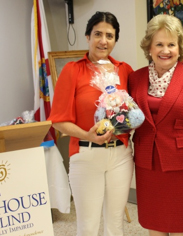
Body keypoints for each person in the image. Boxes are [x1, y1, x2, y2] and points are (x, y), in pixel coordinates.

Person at [48, 12, 134, 236]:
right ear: (87, 36)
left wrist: (130, 124)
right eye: (98, 34)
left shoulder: (125, 70)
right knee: (87, 225)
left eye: (109, 35)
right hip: (86, 155)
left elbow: (134, 111)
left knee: (115, 224)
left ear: (116, 40)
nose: (103, 41)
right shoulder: (73, 70)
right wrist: (88, 135)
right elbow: (58, 121)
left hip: (120, 157)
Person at [128, 14, 183, 236]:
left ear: (180, 48)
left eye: (171, 44)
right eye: (159, 44)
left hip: (181, 168)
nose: (165, 50)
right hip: (147, 167)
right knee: (153, 226)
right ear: (149, 47)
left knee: (178, 228)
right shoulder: (135, 79)